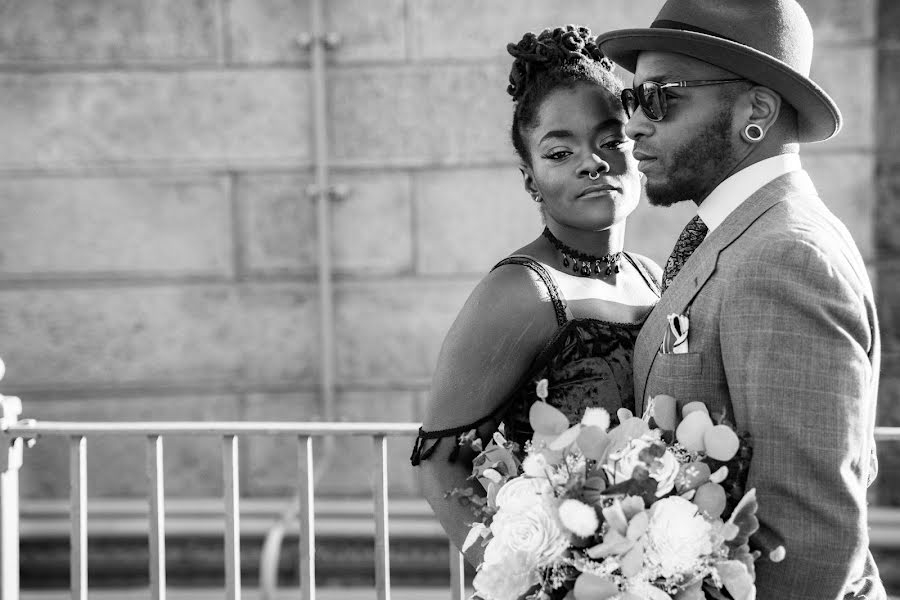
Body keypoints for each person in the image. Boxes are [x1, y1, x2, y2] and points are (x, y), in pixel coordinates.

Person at [596, 0, 884, 598]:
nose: (634, 125)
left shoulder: (785, 257)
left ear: (755, 110)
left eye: (659, 97)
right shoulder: (738, 233)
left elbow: (808, 546)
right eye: (632, 99)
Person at [410, 25, 661, 566]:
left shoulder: (655, 278)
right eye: (559, 152)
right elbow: (437, 464)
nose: (592, 162)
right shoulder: (520, 290)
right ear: (531, 180)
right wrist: (528, 578)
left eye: (610, 140)